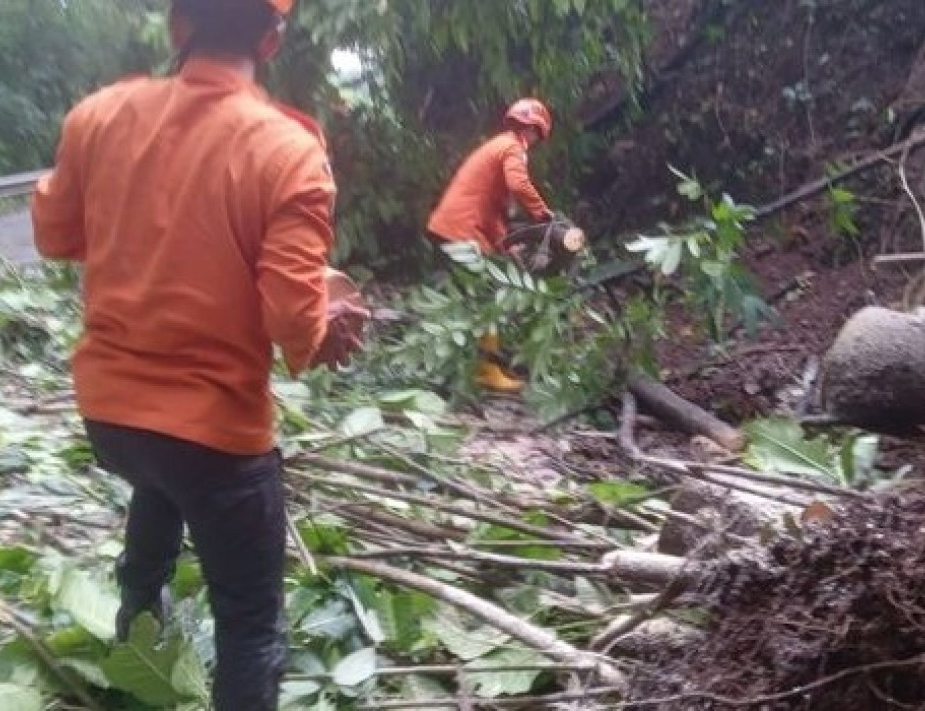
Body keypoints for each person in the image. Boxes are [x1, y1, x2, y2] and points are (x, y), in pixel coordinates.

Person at [30, 0, 364, 708]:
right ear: (271, 40)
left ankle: (136, 636)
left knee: (163, 477)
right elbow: (290, 321)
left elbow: (55, 237)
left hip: (111, 420)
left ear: (177, 28)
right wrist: (327, 318)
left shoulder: (98, 115)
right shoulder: (287, 150)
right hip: (215, 438)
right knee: (249, 626)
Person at [426, 98, 557, 393]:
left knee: (459, 297)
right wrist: (542, 213)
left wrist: (505, 246)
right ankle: (486, 370)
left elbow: (492, 209)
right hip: (463, 230)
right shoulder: (513, 148)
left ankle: (452, 366)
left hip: (451, 226)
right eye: (536, 134)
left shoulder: (497, 145)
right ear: (533, 129)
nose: (535, 141)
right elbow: (519, 185)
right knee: (487, 298)